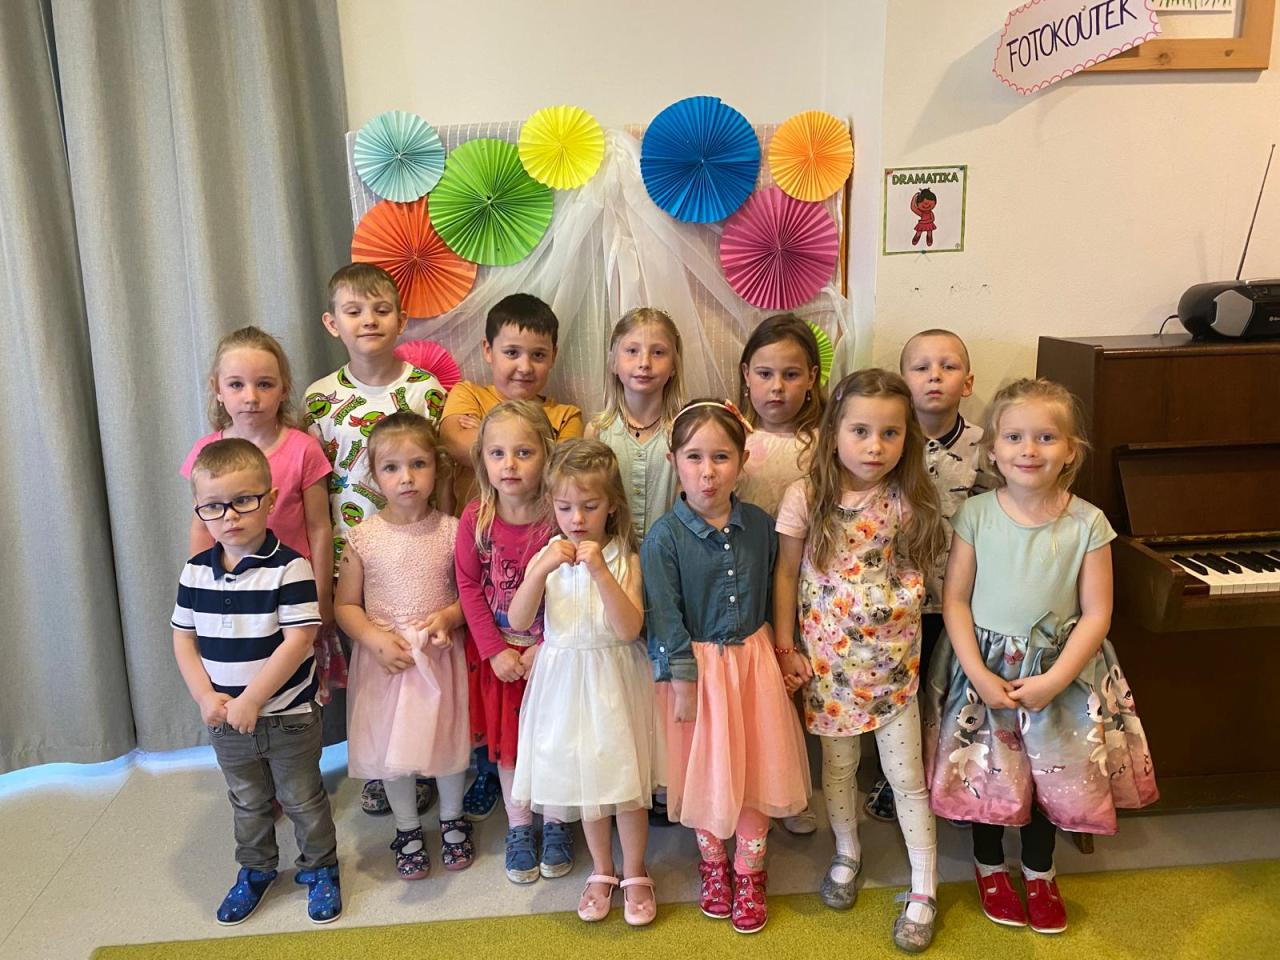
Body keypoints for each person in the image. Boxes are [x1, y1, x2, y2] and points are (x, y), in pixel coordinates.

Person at [925, 378, 1159, 935]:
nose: (1029, 449)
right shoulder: (976, 514)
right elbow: (955, 600)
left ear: (1070, 451)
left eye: (1046, 437)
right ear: (993, 450)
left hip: (1061, 675)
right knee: (987, 771)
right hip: (983, 669)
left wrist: (1055, 680)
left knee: (1048, 773)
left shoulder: (1088, 523)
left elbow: (1097, 613)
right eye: (1014, 437)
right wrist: (979, 674)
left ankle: (1039, 870)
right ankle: (988, 865)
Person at [773, 369, 946, 952]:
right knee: (839, 769)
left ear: (906, 438)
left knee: (906, 778)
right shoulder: (805, 497)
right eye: (861, 431)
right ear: (833, 432)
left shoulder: (910, 498)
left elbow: (922, 567)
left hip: (893, 664)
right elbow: (786, 574)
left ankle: (924, 884)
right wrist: (785, 646)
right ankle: (847, 853)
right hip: (828, 666)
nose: (875, 446)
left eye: (890, 433)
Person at [641, 399, 810, 935]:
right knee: (707, 771)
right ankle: (713, 864)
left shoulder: (759, 525)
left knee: (757, 768)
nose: (707, 471)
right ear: (673, 460)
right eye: (694, 457)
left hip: (753, 666)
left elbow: (776, 593)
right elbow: (664, 616)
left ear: (742, 460)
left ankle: (750, 869)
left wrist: (783, 651)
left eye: (721, 457)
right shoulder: (663, 537)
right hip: (698, 675)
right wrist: (683, 681)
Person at [171, 439, 340, 925]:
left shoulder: (291, 567)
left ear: (270, 500)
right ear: (199, 510)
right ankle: (257, 869)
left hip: (289, 716)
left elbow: (299, 640)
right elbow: (183, 639)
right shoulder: (195, 572)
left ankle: (320, 867)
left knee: (302, 798)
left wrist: (252, 699)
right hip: (225, 719)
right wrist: (205, 696)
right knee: (247, 800)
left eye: (244, 500)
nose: (229, 516)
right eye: (214, 506)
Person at [305, 263, 448, 818]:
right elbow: (314, 488)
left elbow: (445, 474)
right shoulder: (320, 399)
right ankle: (380, 763)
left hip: (419, 548)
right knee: (370, 663)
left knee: (421, 658)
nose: (368, 320)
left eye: (381, 309)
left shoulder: (426, 391)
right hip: (354, 553)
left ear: (401, 320)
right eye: (354, 311)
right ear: (332, 323)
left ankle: (426, 760)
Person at [510, 440, 661, 926]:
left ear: (611, 504)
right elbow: (518, 619)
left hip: (614, 681)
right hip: (564, 684)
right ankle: (602, 869)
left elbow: (628, 628)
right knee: (588, 784)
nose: (576, 518)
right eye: (565, 507)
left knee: (624, 784)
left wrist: (599, 571)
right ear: (550, 505)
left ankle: (635, 871)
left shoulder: (625, 557)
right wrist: (541, 569)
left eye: (590, 506)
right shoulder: (545, 556)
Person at [335, 413, 473, 879]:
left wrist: (450, 617)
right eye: (392, 468)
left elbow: (469, 595)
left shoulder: (452, 531)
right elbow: (345, 605)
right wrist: (374, 639)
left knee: (447, 741)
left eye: (418, 464)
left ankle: (452, 818)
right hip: (388, 661)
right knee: (392, 751)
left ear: (437, 467)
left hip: (439, 655)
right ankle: (408, 827)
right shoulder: (363, 537)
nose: (407, 477)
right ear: (375, 475)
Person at [864, 328, 991, 824]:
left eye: (948, 366)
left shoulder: (985, 447)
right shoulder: (888, 441)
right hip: (895, 598)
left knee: (951, 688)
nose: (934, 376)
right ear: (902, 381)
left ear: (968, 382)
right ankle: (895, 776)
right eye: (920, 368)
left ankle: (950, 777)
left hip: (958, 597)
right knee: (900, 689)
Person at [454, 401, 574, 883]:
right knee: (510, 749)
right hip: (501, 659)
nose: (509, 464)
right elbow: (467, 586)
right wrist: (494, 650)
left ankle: (558, 823)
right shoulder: (476, 518)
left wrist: (545, 646)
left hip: (554, 656)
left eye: (523, 452)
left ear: (546, 454)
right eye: (497, 453)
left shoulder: (559, 518)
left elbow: (573, 590)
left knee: (556, 742)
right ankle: (520, 826)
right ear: (481, 458)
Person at [180, 326, 337, 696]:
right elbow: (201, 526)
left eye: (264, 384)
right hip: (231, 593)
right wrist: (202, 588)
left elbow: (319, 528)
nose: (251, 397)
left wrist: (322, 596)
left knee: (292, 679)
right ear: (217, 389)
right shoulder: (205, 451)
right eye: (236, 385)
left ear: (284, 389)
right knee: (239, 676)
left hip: (289, 592)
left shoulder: (303, 449)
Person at [733, 313, 826, 836]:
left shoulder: (824, 443)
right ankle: (750, 783)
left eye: (791, 375)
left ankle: (792, 788)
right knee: (754, 685)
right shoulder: (737, 438)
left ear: (811, 377)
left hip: (805, 582)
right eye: (765, 374)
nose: (777, 387)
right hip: (743, 580)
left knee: (795, 680)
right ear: (746, 374)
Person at [586, 307, 684, 539]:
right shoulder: (598, 431)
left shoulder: (684, 431)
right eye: (632, 351)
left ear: (674, 366)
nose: (644, 363)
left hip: (670, 554)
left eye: (658, 352)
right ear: (613, 362)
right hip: (612, 555)